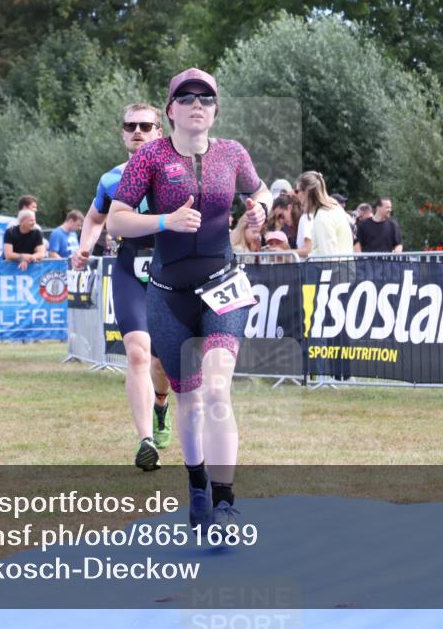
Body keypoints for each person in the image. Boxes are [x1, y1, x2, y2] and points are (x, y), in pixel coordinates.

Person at [107, 67, 272, 530]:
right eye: (187, 96)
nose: (197, 103)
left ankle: (225, 500)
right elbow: (117, 223)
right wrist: (165, 222)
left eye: (206, 98)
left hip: (223, 285)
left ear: (215, 109)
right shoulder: (151, 158)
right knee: (191, 400)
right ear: (171, 110)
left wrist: (259, 210)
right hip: (168, 294)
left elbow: (257, 191)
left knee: (218, 390)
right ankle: (196, 484)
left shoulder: (232, 153)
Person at [70, 102, 173, 471]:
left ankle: (162, 405)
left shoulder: (176, 174)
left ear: (159, 130)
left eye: (146, 125)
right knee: (137, 353)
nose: (138, 132)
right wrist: (85, 246)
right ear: (122, 133)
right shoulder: (111, 178)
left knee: (163, 361)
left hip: (171, 267)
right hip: (129, 265)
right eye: (130, 126)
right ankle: (146, 441)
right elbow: (94, 217)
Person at [295, 172, 353, 255]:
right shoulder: (334, 207)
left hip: (334, 267)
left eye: (297, 191)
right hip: (344, 265)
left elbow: (328, 258)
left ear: (307, 192)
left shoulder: (322, 216)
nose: (296, 195)